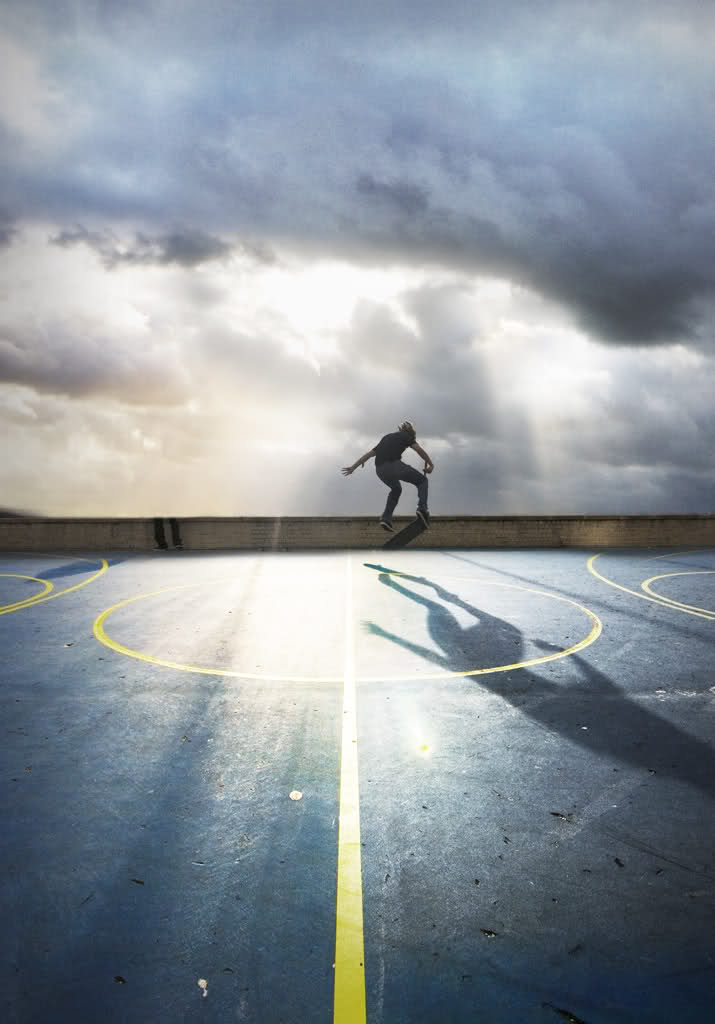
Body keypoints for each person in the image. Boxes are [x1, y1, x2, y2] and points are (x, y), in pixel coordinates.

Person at [341, 420, 434, 531]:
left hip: (380, 470)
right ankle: (422, 509)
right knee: (422, 481)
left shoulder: (387, 437)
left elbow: (369, 454)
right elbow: (419, 450)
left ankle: (386, 518)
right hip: (393, 466)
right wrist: (431, 464)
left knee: (396, 489)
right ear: (410, 431)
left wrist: (353, 467)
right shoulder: (407, 436)